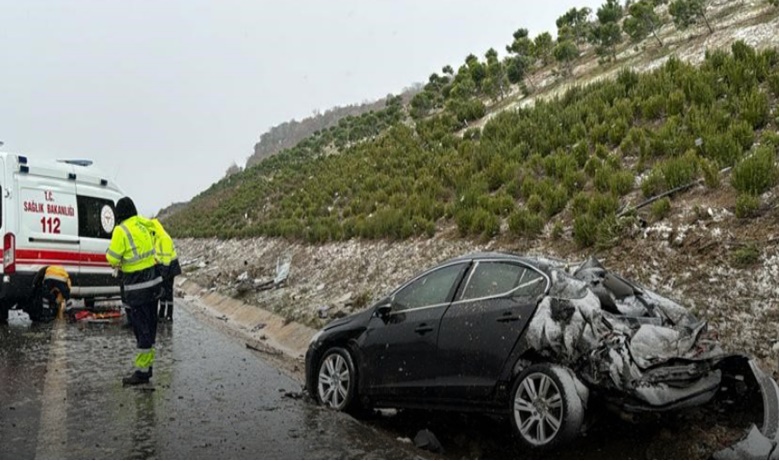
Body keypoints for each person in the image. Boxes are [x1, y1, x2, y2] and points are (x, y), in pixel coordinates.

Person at [106, 197, 162, 386]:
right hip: (154, 285)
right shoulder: (144, 224)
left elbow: (112, 258)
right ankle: (148, 368)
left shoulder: (121, 231)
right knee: (150, 329)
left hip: (137, 289)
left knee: (142, 330)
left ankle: (142, 373)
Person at [148, 219, 181, 322]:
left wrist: (164, 273)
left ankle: (169, 315)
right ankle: (161, 313)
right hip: (164, 267)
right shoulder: (157, 238)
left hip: (170, 267)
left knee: (168, 292)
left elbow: (166, 258)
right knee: (162, 291)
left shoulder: (164, 238)